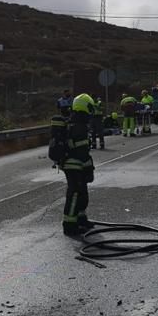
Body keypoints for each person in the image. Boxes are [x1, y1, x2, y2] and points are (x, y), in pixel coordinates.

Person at [60, 93, 95, 236]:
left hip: (73, 164)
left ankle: (81, 219)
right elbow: (82, 152)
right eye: (90, 108)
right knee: (75, 193)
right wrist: (89, 168)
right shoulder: (79, 126)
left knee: (82, 192)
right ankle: (69, 225)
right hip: (73, 165)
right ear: (85, 107)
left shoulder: (74, 122)